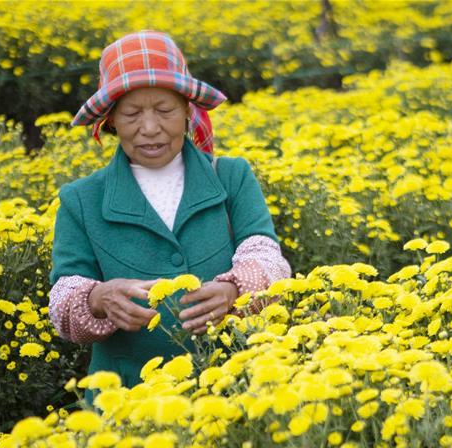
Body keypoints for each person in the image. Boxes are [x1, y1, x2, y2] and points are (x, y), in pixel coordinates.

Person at [48, 31, 290, 402]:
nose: (149, 128)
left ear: (187, 109)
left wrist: (233, 291)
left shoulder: (231, 176)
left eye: (164, 110)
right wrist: (98, 298)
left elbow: (267, 257)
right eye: (131, 114)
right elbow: (63, 303)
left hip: (237, 391)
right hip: (129, 405)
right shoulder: (81, 200)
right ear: (110, 120)